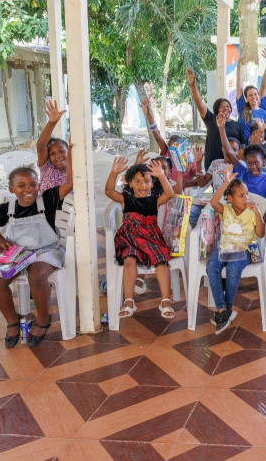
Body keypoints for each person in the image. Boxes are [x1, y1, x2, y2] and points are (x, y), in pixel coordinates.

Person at [0, 157, 74, 348]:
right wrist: (1, 240)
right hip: (17, 253)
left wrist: (71, 156)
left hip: (46, 251)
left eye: (33, 184)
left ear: (39, 185)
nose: (28, 189)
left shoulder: (48, 199)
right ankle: (12, 321)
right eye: (21, 185)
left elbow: (70, 182)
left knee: (37, 275)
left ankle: (42, 319)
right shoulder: (6, 209)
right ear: (11, 189)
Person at [105, 157, 176, 320]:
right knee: (129, 258)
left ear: (152, 184)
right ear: (130, 183)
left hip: (151, 239)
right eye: (137, 181)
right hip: (129, 238)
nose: (142, 185)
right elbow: (109, 191)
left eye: (146, 181)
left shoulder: (154, 201)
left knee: (162, 260)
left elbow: (170, 193)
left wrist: (161, 176)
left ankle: (165, 301)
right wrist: (114, 173)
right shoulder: (125, 199)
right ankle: (129, 301)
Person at [205, 167, 266, 334]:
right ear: (230, 199)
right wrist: (226, 182)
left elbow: (260, 233)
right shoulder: (227, 210)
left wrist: (257, 214)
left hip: (246, 249)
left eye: (246, 194)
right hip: (226, 247)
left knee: (233, 269)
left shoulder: (252, 211)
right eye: (241, 195)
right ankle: (223, 310)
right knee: (211, 266)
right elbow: (213, 202)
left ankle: (226, 309)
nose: (246, 198)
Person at [218, 113, 266, 205]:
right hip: (238, 213)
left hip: (256, 214)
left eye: (256, 163)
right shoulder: (243, 171)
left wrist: (259, 207)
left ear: (263, 162)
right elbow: (228, 152)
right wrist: (221, 128)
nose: (253, 167)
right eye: (250, 164)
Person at [187, 68, 244, 168]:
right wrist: (193, 85)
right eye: (222, 106)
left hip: (231, 163)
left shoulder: (237, 125)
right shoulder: (211, 119)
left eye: (228, 106)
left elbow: (242, 146)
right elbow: (199, 103)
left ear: (231, 110)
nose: (225, 108)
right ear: (217, 109)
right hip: (212, 163)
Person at [140, 96, 198, 191]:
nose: (174, 152)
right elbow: (156, 134)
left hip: (183, 191)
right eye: (172, 149)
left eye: (177, 148)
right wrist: (148, 114)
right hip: (165, 189)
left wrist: (181, 184)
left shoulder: (189, 159)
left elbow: (199, 181)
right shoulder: (166, 154)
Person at [36, 99, 68, 194]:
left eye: (61, 151)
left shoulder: (76, 169)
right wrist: (52, 123)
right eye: (52, 154)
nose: (58, 156)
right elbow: (41, 147)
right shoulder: (47, 168)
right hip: (48, 209)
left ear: (68, 151)